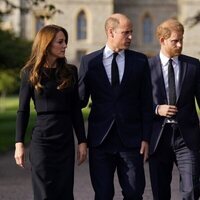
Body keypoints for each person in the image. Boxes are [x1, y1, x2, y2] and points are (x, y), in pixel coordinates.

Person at [78, 13, 153, 200]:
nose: (130, 37)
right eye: (126, 32)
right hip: (100, 140)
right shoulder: (89, 62)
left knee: (134, 193)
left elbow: (146, 102)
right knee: (103, 195)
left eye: (131, 32)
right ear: (111, 32)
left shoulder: (140, 61)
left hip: (131, 140)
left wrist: (146, 137)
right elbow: (78, 101)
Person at [14, 24, 87, 200]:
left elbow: (75, 110)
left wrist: (82, 141)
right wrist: (19, 144)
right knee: (44, 193)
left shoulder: (71, 72)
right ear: (47, 44)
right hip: (42, 141)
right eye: (60, 42)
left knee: (64, 192)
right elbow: (22, 111)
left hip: (65, 140)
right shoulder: (30, 73)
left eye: (65, 42)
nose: (65, 46)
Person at [148, 18, 200, 200]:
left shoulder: (193, 66)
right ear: (162, 40)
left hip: (187, 138)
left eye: (181, 40)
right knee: (160, 193)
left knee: (191, 191)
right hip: (158, 138)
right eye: (174, 41)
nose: (179, 44)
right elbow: (137, 103)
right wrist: (156, 109)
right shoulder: (146, 68)